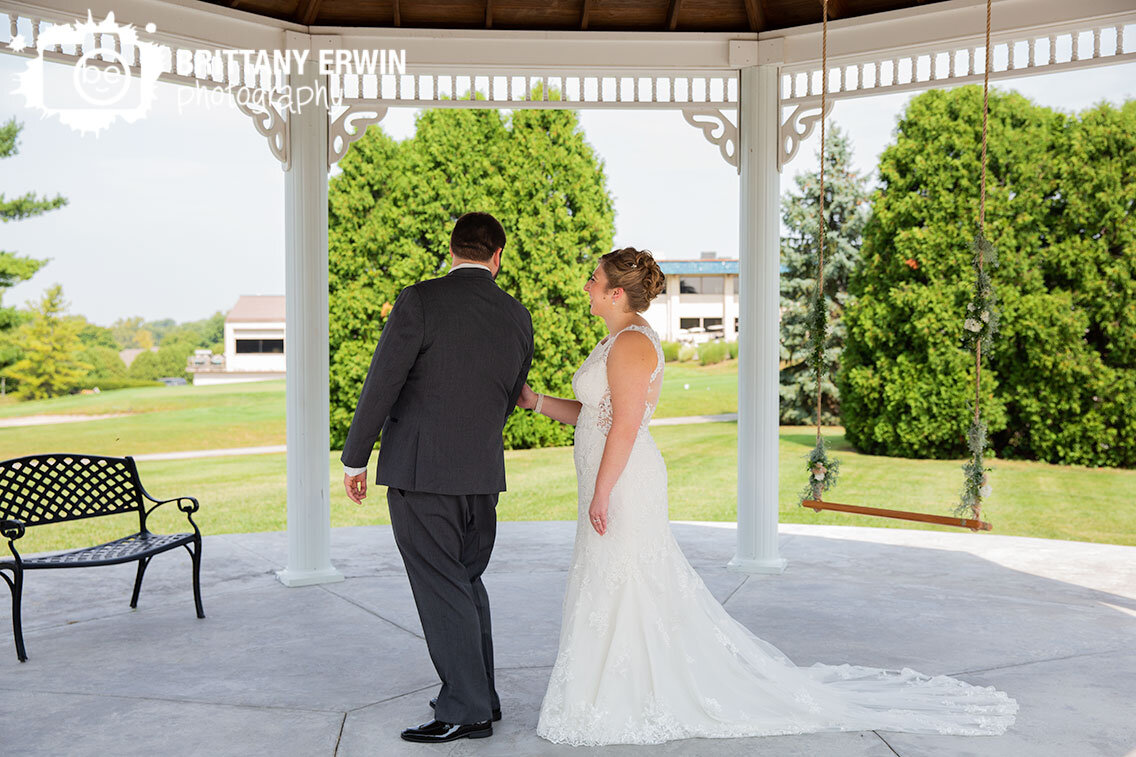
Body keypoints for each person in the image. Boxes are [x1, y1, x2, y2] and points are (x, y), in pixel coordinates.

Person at [519, 247, 1018, 746]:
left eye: (593, 278)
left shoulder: (631, 345)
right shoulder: (614, 341)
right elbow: (595, 414)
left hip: (624, 483)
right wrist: (536, 402)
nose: (585, 285)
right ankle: (612, 689)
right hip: (611, 479)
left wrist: (603, 491)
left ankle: (627, 695)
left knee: (627, 581)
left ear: (616, 292)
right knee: (612, 581)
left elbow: (625, 426)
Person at [341, 212, 533, 744]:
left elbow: (383, 380)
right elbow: (508, 396)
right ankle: (482, 698)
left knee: (442, 586)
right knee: (466, 581)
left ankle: (466, 709)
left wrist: (355, 458)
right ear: (497, 256)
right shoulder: (518, 315)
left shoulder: (419, 300)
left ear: (452, 251)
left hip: (422, 475)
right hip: (482, 475)